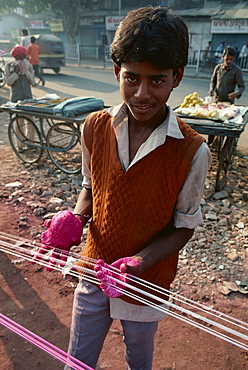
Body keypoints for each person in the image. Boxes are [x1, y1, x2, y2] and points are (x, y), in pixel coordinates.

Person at [35, 6, 211, 369]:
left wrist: (140, 261)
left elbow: (183, 226)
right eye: (131, 78)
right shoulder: (94, 127)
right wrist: (75, 219)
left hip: (146, 283)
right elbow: (91, 186)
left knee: (138, 360)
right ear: (117, 71)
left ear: (177, 76)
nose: (142, 94)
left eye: (157, 81)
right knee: (78, 360)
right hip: (93, 269)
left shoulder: (192, 151)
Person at [4, 45, 35, 149]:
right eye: (18, 57)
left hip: (28, 98)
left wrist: (26, 72)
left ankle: (30, 143)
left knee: (30, 123)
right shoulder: (9, 66)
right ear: (15, 57)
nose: (20, 60)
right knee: (18, 124)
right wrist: (16, 73)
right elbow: (8, 82)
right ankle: (20, 145)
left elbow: (33, 82)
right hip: (16, 99)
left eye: (22, 58)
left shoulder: (29, 66)